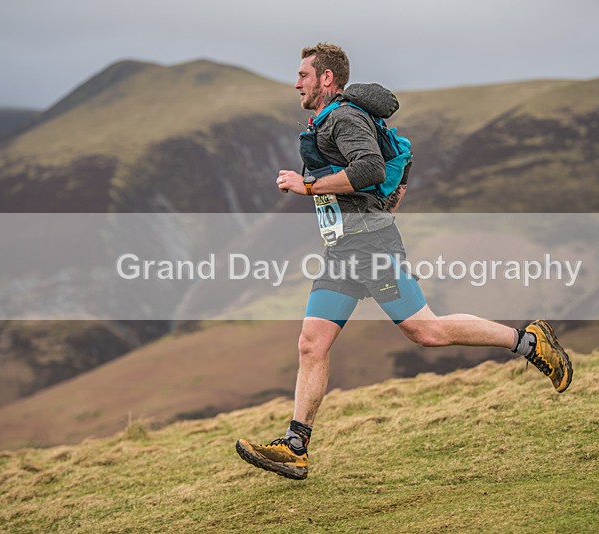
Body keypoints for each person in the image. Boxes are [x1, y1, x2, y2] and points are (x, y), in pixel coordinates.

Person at [235, 43, 572, 480]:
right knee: (310, 344)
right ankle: (296, 446)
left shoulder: (343, 117)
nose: (296, 82)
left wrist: (308, 185)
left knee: (425, 330)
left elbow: (371, 168)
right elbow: (384, 175)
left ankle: (529, 341)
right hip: (343, 252)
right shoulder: (326, 122)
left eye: (303, 74)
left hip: (371, 247)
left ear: (327, 79)